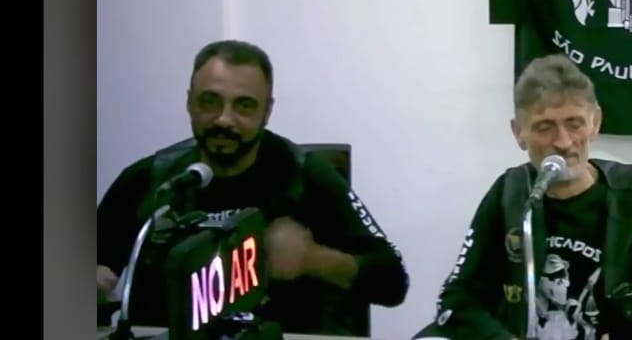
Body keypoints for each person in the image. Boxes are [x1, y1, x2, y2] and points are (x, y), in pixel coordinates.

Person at [96, 39, 410, 335]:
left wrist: (314, 259)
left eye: (244, 105)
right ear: (189, 102)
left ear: (267, 111)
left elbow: (393, 282)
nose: (224, 119)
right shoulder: (150, 181)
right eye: (210, 101)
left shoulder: (306, 176)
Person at [414, 53, 632, 340]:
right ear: (519, 133)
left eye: (575, 124)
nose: (563, 142)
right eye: (545, 127)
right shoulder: (510, 194)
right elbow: (457, 297)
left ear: (595, 122)